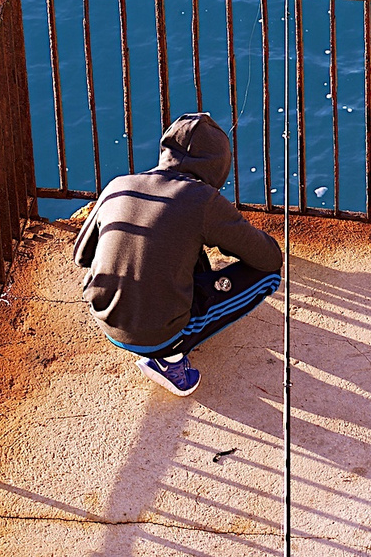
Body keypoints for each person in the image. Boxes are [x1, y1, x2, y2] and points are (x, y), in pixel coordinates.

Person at [72, 113, 282, 396]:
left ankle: (155, 332)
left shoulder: (118, 184)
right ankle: (169, 360)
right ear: (219, 164)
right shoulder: (202, 200)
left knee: (173, 244)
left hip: (105, 318)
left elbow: (82, 256)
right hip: (158, 335)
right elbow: (268, 258)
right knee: (268, 277)